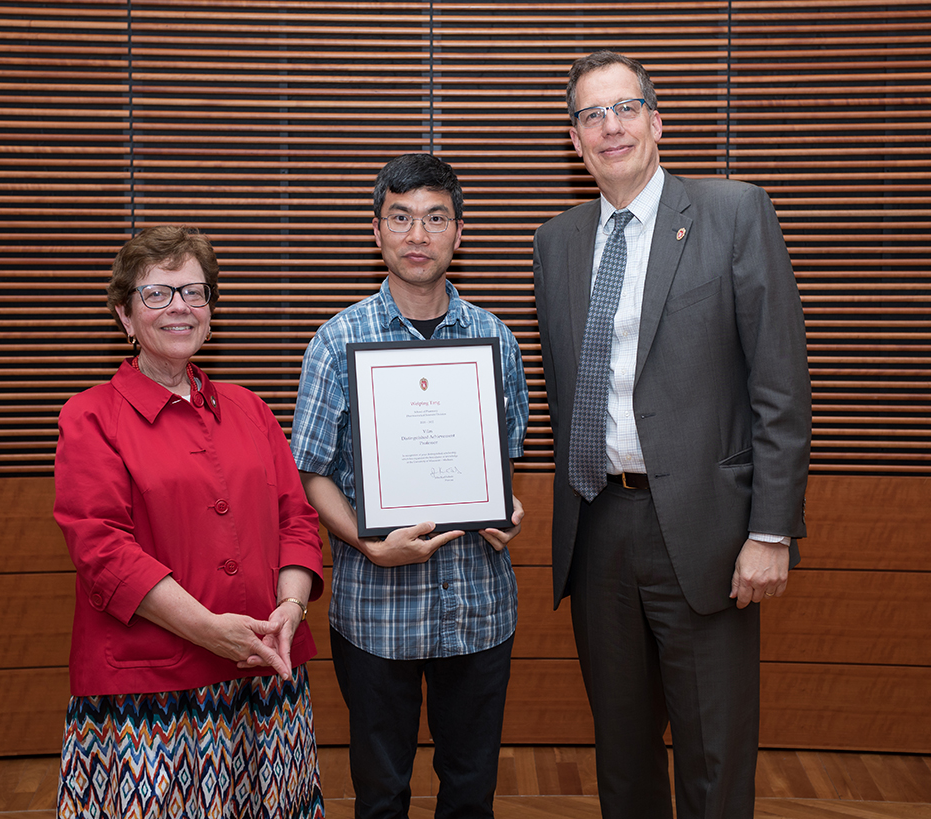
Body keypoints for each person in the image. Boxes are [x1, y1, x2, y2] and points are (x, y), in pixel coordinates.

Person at [532, 51, 811, 819]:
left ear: (658, 121)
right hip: (597, 526)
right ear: (575, 140)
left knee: (713, 754)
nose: (609, 126)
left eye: (624, 108)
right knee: (622, 753)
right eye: (592, 114)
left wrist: (770, 530)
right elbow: (560, 391)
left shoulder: (732, 212)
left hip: (708, 532)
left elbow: (779, 384)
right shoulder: (555, 243)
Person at [53, 225, 326, 819]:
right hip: (149, 691)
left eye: (194, 292)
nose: (180, 306)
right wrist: (209, 630)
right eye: (158, 294)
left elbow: (297, 520)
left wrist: (291, 607)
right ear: (126, 317)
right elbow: (103, 552)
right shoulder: (90, 417)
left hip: (265, 673)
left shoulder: (251, 407)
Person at [291, 153, 529, 819]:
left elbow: (502, 463)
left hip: (478, 607)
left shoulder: (496, 338)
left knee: (471, 792)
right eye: (401, 218)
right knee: (380, 795)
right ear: (377, 231)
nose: (418, 235)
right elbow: (309, 471)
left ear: (459, 232)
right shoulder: (336, 341)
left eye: (434, 218)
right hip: (376, 611)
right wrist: (366, 545)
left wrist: (507, 508)